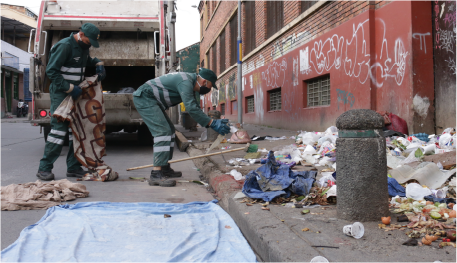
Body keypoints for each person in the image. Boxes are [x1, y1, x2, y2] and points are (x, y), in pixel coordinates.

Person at [133, 68, 230, 187]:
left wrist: (210, 122)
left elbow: (194, 107)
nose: (209, 90)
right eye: (210, 86)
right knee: (163, 132)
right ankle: (156, 173)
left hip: (152, 100)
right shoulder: (186, 82)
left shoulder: (189, 83)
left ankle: (164, 167)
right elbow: (191, 108)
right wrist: (211, 123)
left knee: (170, 131)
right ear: (204, 82)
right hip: (145, 98)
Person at [37, 23, 106, 181]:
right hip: (62, 94)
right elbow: (51, 71)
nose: (90, 45)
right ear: (81, 35)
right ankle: (44, 168)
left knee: (75, 131)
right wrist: (69, 88)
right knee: (58, 131)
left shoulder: (83, 47)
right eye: (89, 41)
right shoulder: (64, 46)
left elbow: (85, 61)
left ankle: (73, 167)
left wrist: (98, 63)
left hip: (76, 94)